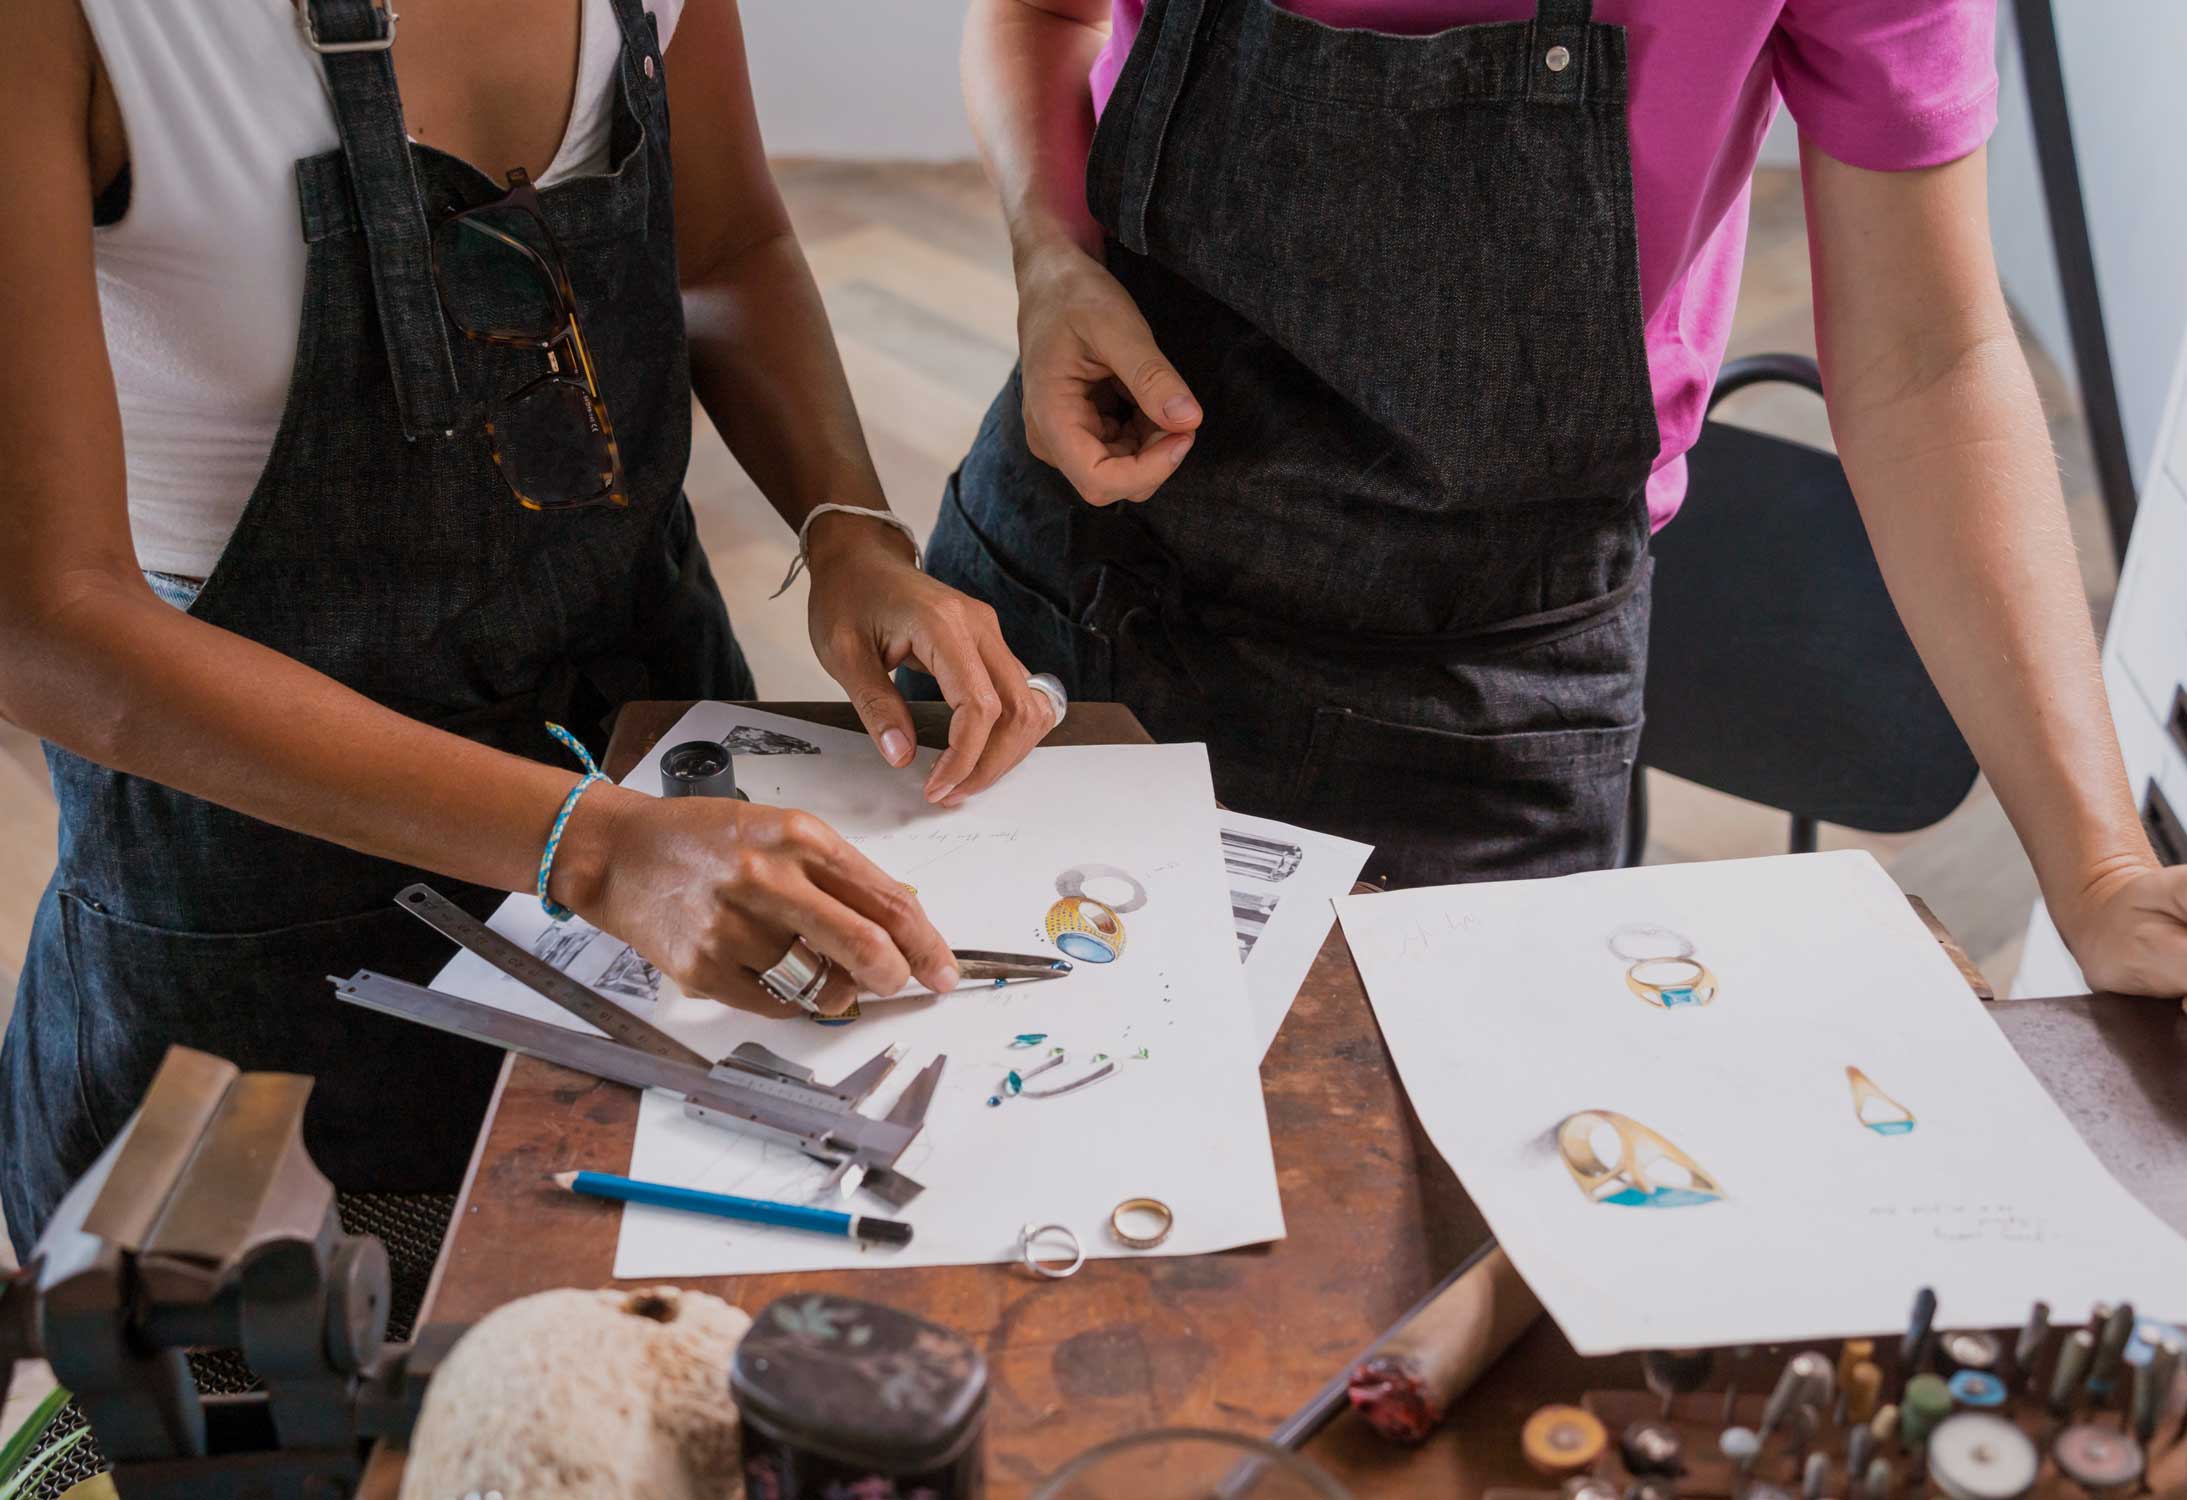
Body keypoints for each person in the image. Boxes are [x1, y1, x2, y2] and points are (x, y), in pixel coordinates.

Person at [0, 0, 1061, 1254]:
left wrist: (851, 534)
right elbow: (47, 630)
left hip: (651, 743)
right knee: (326, 1391)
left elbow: (723, 250)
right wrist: (598, 849)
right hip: (268, 877)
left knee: (684, 1342)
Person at [927, 0, 2187, 998]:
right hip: (1067, 605)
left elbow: (1930, 358)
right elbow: (1041, 12)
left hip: (1476, 714)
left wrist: (2100, 867)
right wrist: (1049, 253)